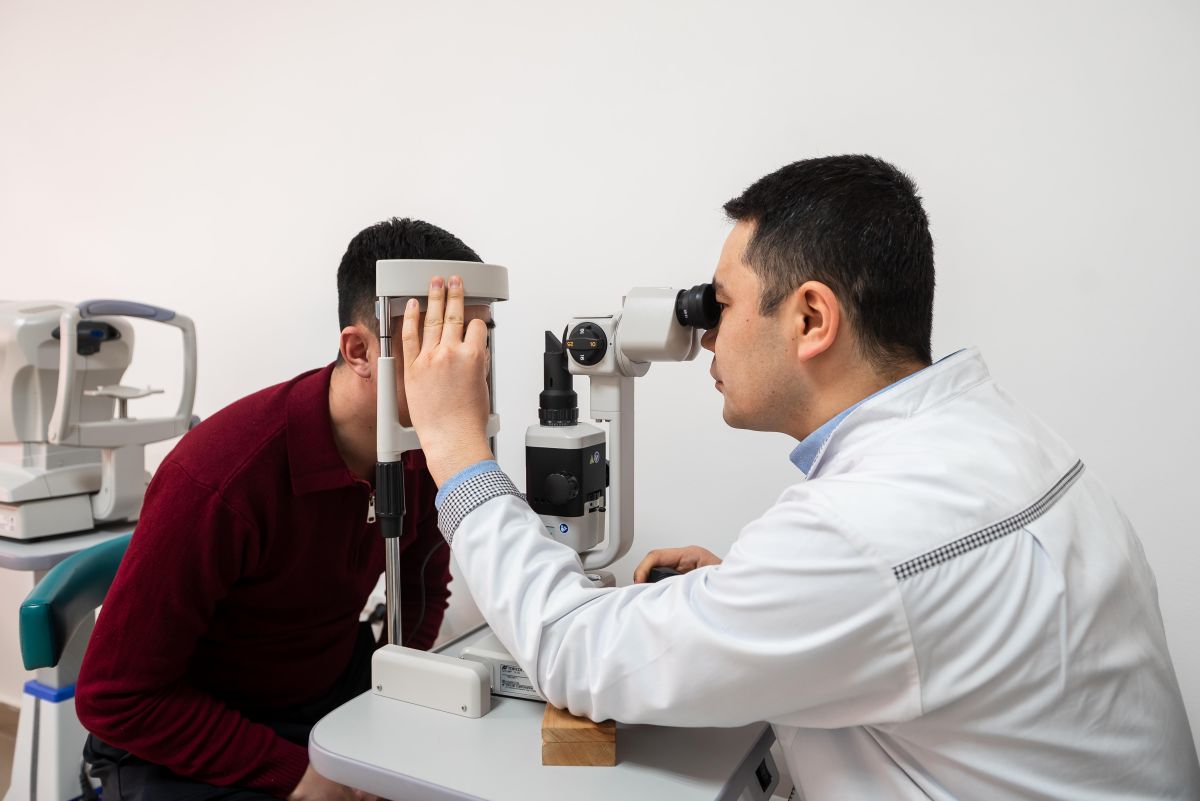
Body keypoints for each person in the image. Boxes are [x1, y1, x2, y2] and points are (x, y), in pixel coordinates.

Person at [399, 157, 1200, 800]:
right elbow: (914, 610)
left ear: (812, 318)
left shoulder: (860, 536)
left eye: (722, 306)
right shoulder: (1009, 439)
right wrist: (756, 599)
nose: (707, 337)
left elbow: (579, 652)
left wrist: (455, 446)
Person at [76, 218, 488, 800]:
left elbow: (421, 590)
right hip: (188, 729)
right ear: (360, 351)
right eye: (435, 343)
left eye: (477, 343)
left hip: (325, 691)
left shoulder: (422, 449)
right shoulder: (224, 475)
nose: (465, 370)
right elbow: (115, 696)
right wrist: (298, 773)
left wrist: (393, 705)